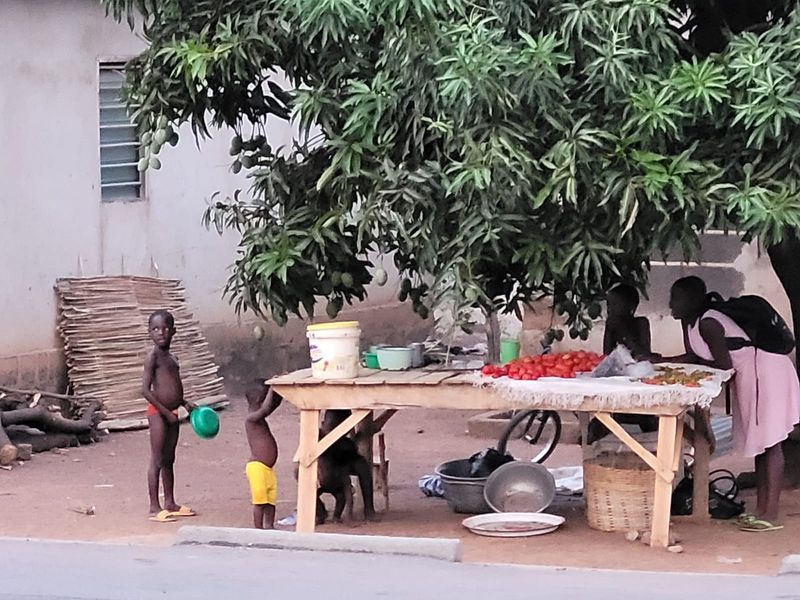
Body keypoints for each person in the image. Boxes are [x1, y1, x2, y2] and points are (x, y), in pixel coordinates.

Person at [667, 276, 800, 531]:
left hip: (765, 372)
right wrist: (659, 360)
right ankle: (761, 509)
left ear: (694, 300)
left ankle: (770, 514)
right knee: (760, 443)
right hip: (752, 376)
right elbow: (696, 356)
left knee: (770, 442)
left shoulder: (709, 322)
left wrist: (687, 369)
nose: (671, 303)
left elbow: (722, 366)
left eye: (677, 297)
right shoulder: (691, 324)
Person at [142, 309, 196, 522]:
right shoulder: (152, 357)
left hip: (172, 412)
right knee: (156, 459)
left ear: (173, 331)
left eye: (165, 328)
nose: (160, 332)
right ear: (149, 333)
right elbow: (145, 390)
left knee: (169, 459)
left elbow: (172, 385)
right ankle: (154, 507)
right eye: (155, 329)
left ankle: (170, 502)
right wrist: (165, 412)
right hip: (158, 413)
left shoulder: (172, 357)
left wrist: (184, 402)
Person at [587, 285, 658, 443]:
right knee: (592, 431)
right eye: (609, 305)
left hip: (638, 381)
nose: (610, 310)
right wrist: (610, 330)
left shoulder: (641, 323)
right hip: (617, 381)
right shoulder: (611, 324)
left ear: (631, 307)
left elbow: (643, 354)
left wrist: (623, 331)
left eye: (616, 305)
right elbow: (607, 354)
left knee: (650, 423)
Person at [245, 381, 282, 529]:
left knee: (270, 500)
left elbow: (272, 406)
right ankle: (258, 529)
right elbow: (267, 408)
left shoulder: (259, 416)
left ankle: (270, 526)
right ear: (259, 400)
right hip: (257, 468)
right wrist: (273, 387)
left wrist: (278, 391)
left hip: (267, 469)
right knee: (260, 501)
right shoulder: (251, 419)